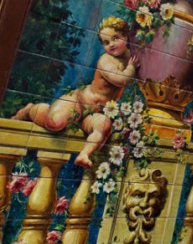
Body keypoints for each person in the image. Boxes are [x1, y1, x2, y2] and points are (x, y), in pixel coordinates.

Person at [14, 16, 139, 167]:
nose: (111, 45)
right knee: (55, 123)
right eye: (106, 42)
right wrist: (131, 68)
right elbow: (121, 80)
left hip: (94, 113)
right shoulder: (105, 61)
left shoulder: (130, 56)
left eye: (115, 38)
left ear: (126, 35)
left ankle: (84, 154)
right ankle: (30, 110)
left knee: (104, 125)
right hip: (79, 102)